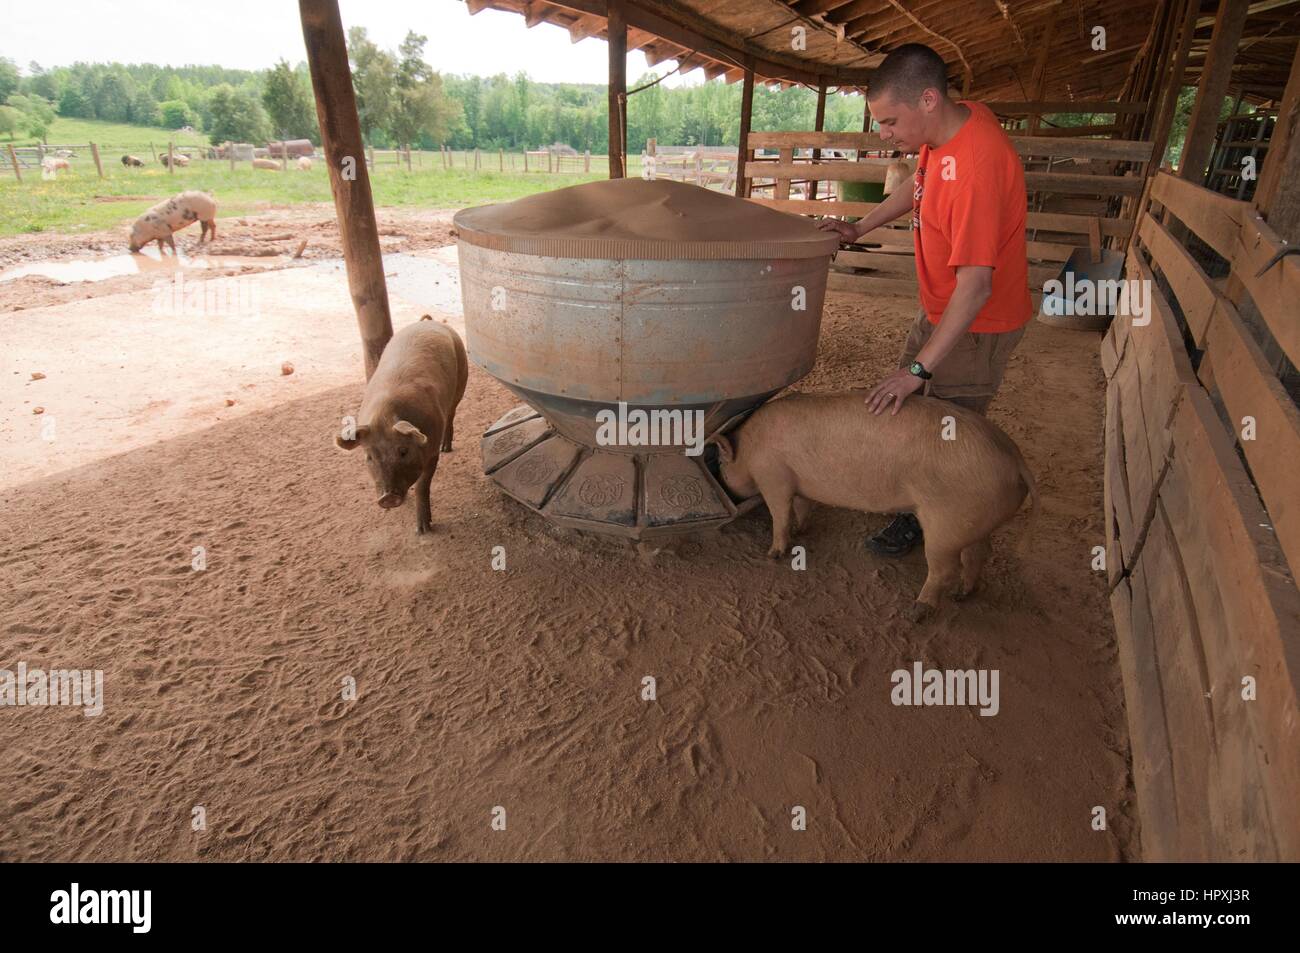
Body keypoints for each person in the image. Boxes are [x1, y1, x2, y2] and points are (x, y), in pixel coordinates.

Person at [819, 43, 1032, 557]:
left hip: (976, 321)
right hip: (941, 306)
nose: (883, 133)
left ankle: (939, 520)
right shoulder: (948, 135)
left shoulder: (978, 168)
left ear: (929, 100)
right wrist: (859, 227)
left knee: (948, 428)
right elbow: (918, 184)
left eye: (890, 121)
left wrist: (917, 370)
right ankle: (915, 500)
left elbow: (977, 285)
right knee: (916, 413)